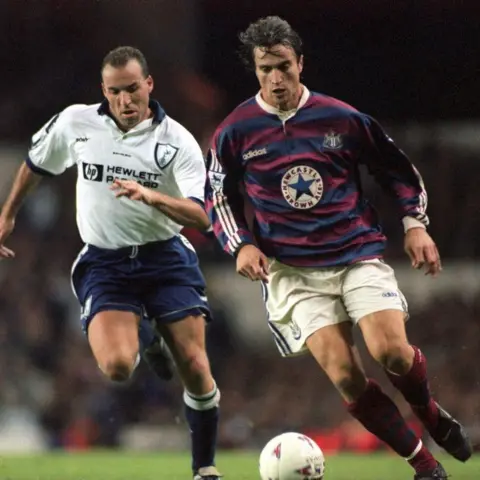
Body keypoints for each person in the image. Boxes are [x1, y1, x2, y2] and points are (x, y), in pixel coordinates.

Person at [205, 16, 471, 480]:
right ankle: (424, 465)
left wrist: (414, 225)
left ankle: (428, 411)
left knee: (391, 351)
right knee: (345, 375)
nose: (275, 77)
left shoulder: (341, 118)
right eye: (265, 68)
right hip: (291, 271)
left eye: (283, 66)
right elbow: (218, 196)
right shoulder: (236, 131)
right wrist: (240, 245)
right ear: (254, 69)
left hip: (355, 252)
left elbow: (397, 170)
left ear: (300, 63)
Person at [0, 46, 221, 480]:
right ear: (104, 90)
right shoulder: (76, 123)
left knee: (195, 366)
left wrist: (153, 195)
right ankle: (150, 335)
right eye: (116, 91)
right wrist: (8, 214)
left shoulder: (177, 141)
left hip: (165, 260)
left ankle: (204, 467)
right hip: (106, 264)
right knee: (118, 367)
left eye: (133, 89)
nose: (126, 100)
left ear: (149, 85)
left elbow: (202, 215)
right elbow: (34, 164)